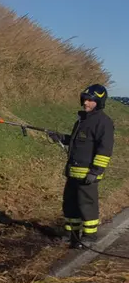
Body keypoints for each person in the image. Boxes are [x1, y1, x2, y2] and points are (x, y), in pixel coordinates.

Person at [48, 84, 114, 248]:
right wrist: (61, 138)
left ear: (99, 102)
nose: (86, 103)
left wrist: (96, 171)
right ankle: (72, 235)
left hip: (88, 175)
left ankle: (89, 236)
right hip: (73, 172)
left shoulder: (103, 122)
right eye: (85, 99)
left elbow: (104, 150)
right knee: (70, 204)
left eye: (91, 100)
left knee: (87, 205)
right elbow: (77, 141)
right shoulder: (83, 120)